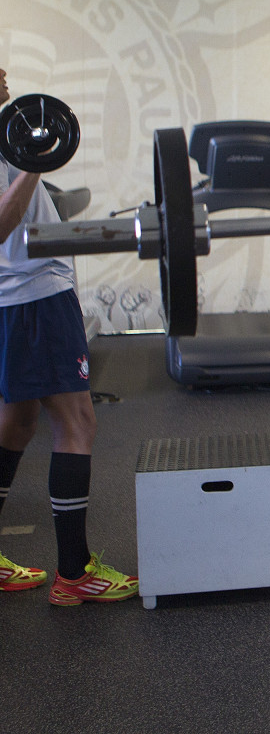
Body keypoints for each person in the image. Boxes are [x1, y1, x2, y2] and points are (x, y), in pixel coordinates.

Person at [0, 66, 138, 605]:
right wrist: (34, 165)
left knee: (16, 421)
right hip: (33, 297)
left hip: (22, 299)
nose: (4, 73)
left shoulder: (4, 132)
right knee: (78, 422)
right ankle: (74, 573)